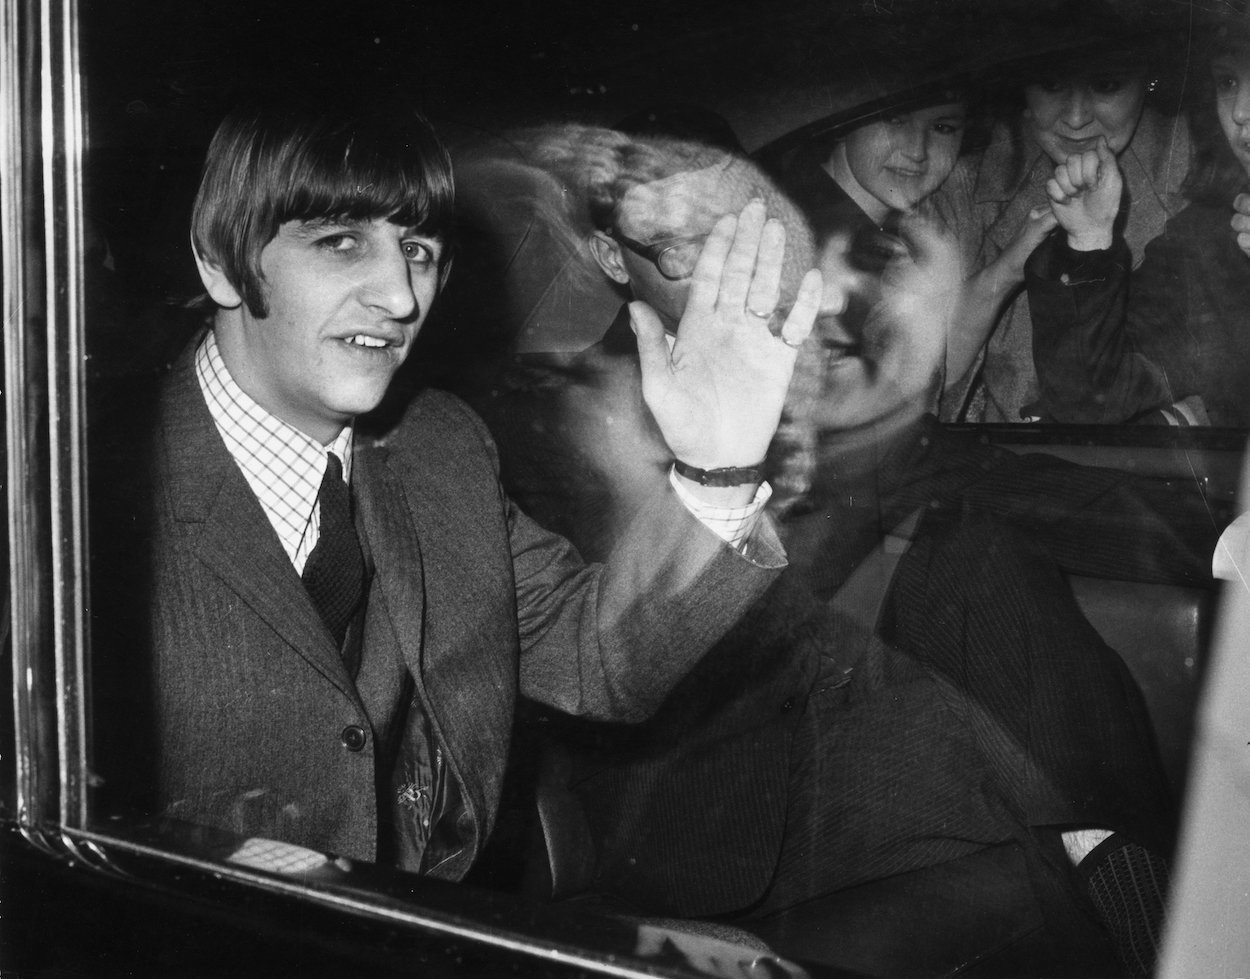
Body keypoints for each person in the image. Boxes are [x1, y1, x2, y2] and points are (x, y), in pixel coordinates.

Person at [479, 127, 1228, 977]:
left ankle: (1125, 876)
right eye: (688, 245)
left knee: (970, 550)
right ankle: (1138, 889)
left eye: (744, 228)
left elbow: (967, 473)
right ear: (614, 257)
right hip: (699, 793)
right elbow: (619, 646)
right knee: (980, 744)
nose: (736, 265)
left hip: (832, 728)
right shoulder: (564, 413)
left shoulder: (804, 364)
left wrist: (1220, 532)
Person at [114, 87, 829, 879]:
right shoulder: (80, 481)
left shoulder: (440, 447)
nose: (400, 296)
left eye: (417, 250)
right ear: (220, 260)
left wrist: (717, 468)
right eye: (342, 242)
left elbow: (602, 663)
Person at [934, 0, 1191, 422]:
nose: (1074, 118)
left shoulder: (1201, 169)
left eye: (1106, 85)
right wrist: (1005, 270)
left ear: (1147, 80)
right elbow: (915, 384)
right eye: (1051, 84)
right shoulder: (963, 179)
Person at [1026, 13, 1250, 428]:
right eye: (1228, 81)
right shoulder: (1205, 242)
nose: (1240, 111)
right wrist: (1090, 242)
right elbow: (1089, 404)